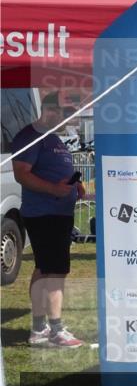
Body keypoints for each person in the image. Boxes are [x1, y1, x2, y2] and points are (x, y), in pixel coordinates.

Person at [10, 93, 86, 348]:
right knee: (55, 270)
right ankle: (55, 329)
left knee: (44, 268)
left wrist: (75, 185)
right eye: (65, 112)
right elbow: (21, 174)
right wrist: (54, 189)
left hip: (57, 213)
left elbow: (55, 170)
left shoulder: (52, 137)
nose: (67, 118)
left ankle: (39, 328)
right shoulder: (30, 136)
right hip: (45, 214)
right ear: (50, 109)